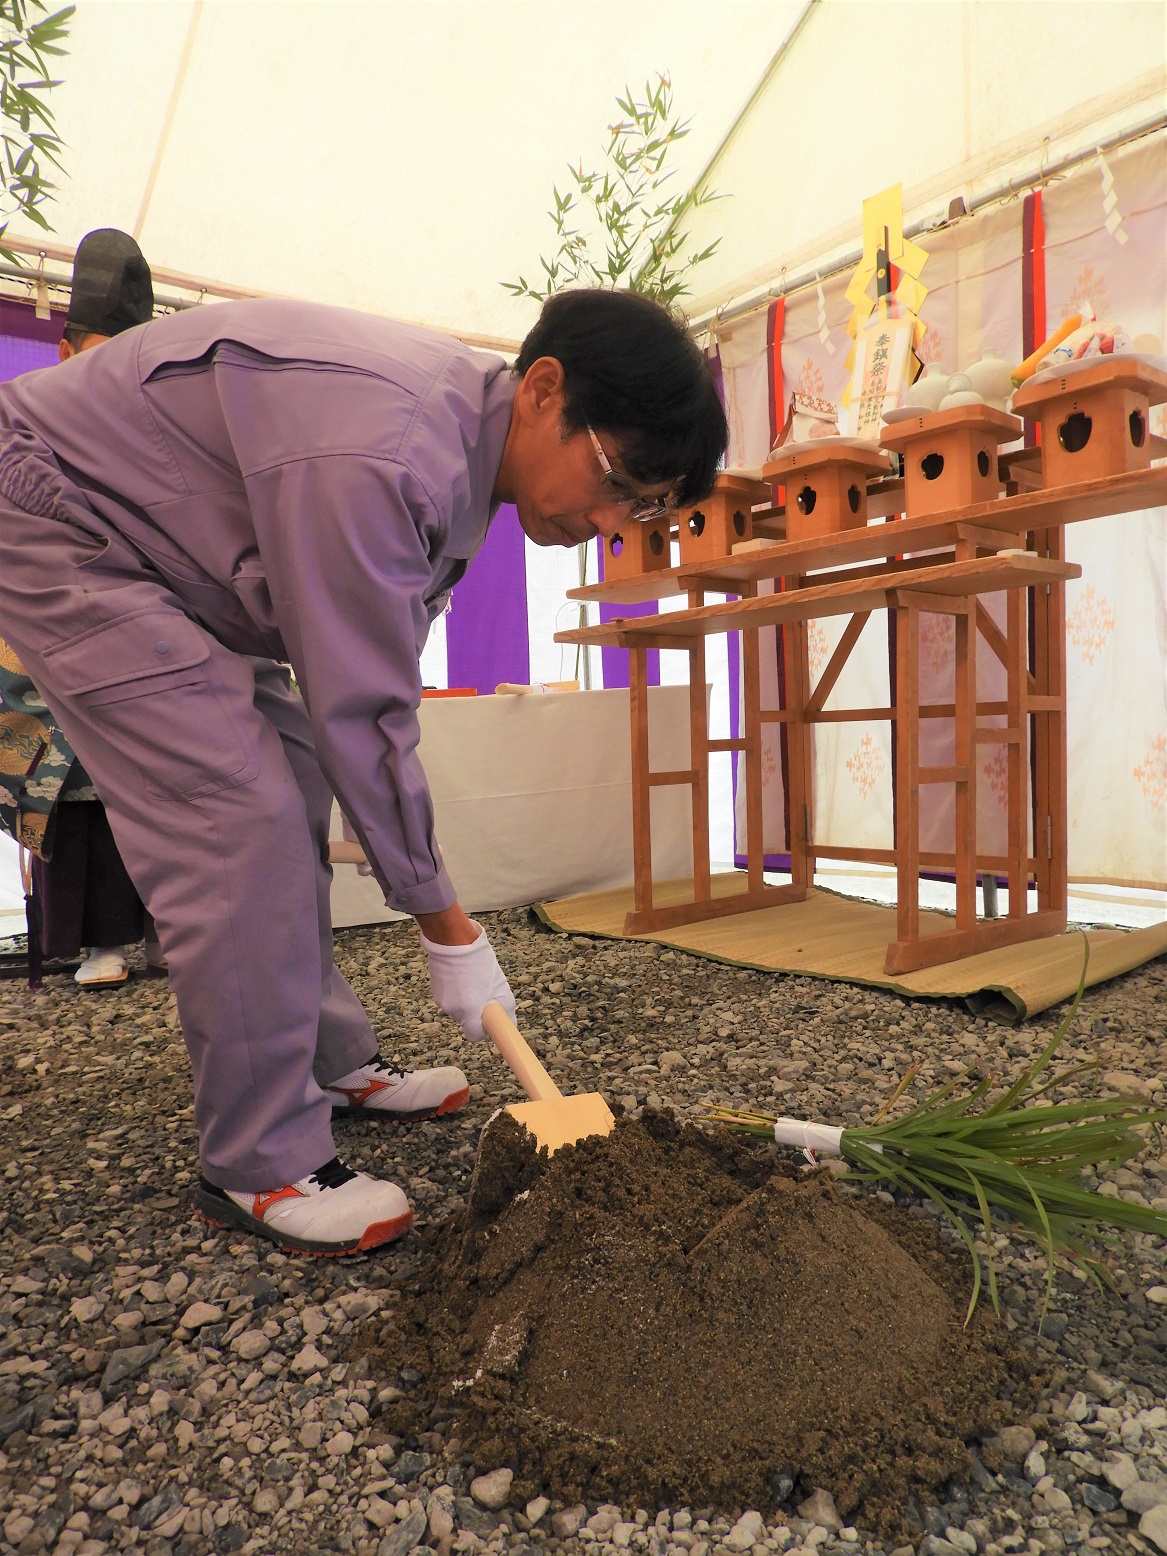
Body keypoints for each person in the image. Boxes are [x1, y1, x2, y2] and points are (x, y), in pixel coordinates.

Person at [0, 286, 727, 1255]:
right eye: (619, 479)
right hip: (59, 514)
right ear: (545, 389)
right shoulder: (392, 452)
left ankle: (325, 1059)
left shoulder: (461, 449)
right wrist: (449, 927)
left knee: (293, 767)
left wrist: (434, 905)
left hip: (159, 547)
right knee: (235, 813)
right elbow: (365, 714)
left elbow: (360, 691)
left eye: (641, 506)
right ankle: (259, 1159)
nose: (610, 520)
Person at [0, 229, 163, 986]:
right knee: (80, 786)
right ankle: (99, 942)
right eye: (99, 358)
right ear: (64, 354)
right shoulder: (22, 425)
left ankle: (171, 927)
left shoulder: (160, 433)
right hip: (51, 637)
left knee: (162, 776)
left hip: (140, 637)